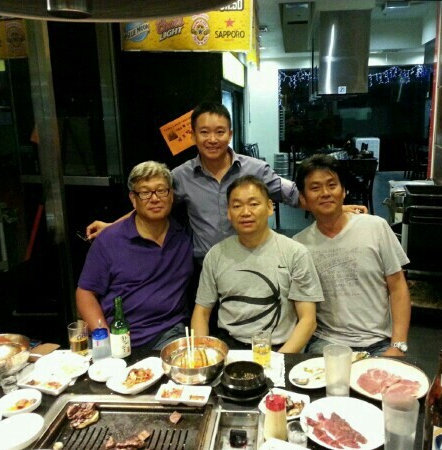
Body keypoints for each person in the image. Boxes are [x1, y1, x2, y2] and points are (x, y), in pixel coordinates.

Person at [86, 102, 366, 264]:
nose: (212, 139)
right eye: (204, 132)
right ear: (193, 136)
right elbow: (151, 203)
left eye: (219, 132)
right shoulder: (181, 175)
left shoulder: (255, 169)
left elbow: (294, 194)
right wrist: (112, 226)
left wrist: (335, 208)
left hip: (254, 261)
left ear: (229, 134)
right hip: (203, 266)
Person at [293, 155, 411, 357]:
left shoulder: (376, 227)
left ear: (344, 191)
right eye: (315, 188)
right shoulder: (299, 245)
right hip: (326, 342)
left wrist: (398, 345)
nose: (325, 193)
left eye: (332, 185)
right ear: (303, 198)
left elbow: (398, 287)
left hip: (379, 341)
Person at [191, 175, 322, 353]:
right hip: (229, 348)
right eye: (237, 206)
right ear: (228, 213)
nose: (245, 212)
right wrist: (201, 352)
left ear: (269, 207)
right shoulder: (216, 255)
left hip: (279, 349)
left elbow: (308, 320)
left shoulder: (295, 253)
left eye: (253, 204)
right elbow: (202, 312)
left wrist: (278, 360)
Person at [76, 161, 193, 351]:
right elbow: (85, 293)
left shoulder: (184, 237)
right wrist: (104, 338)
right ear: (133, 198)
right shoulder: (109, 240)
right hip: (117, 336)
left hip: (169, 334)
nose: (154, 199)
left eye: (161, 190)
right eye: (145, 192)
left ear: (171, 195)